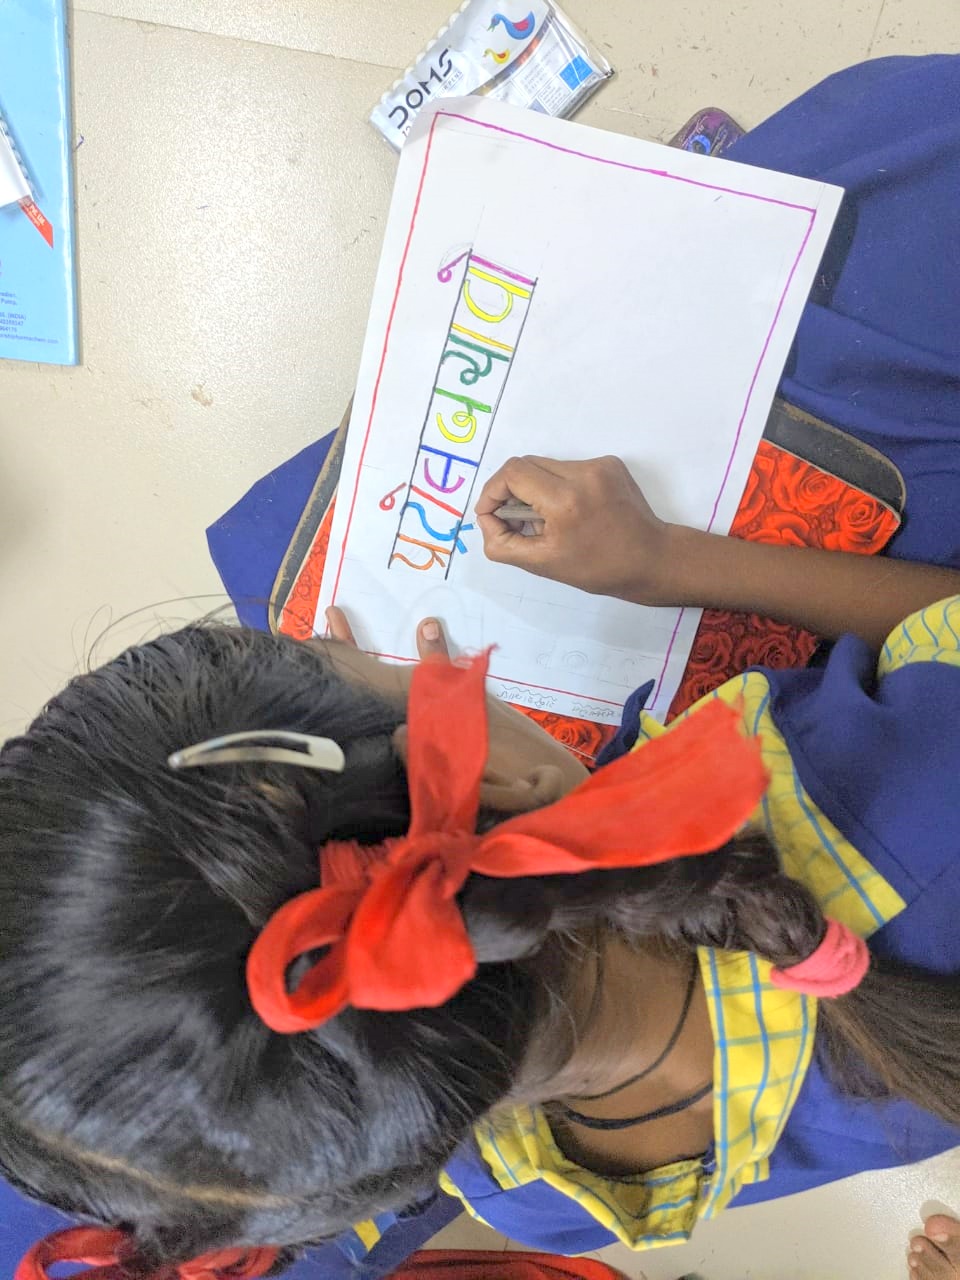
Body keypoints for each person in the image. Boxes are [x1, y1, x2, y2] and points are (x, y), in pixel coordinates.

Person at [3, 51, 960, 1280]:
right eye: (352, 665)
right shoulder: (916, 803)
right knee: (898, 149)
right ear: (504, 779)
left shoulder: (519, 1188)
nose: (349, 644)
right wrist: (668, 562)